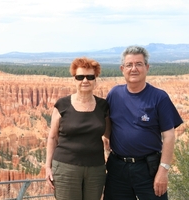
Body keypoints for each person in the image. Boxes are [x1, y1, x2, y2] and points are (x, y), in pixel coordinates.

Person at [103, 45, 183, 200]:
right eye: (129, 65)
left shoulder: (159, 97)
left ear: (147, 67)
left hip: (149, 169)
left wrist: (163, 170)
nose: (134, 69)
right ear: (122, 69)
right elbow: (107, 126)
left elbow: (169, 136)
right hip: (117, 168)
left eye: (139, 64)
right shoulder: (114, 94)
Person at [45, 57, 111, 200]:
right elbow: (52, 137)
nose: (85, 81)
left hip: (96, 168)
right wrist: (48, 167)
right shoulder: (62, 105)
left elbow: (109, 136)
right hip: (65, 167)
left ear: (95, 79)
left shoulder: (103, 106)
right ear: (74, 79)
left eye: (90, 77)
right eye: (80, 77)